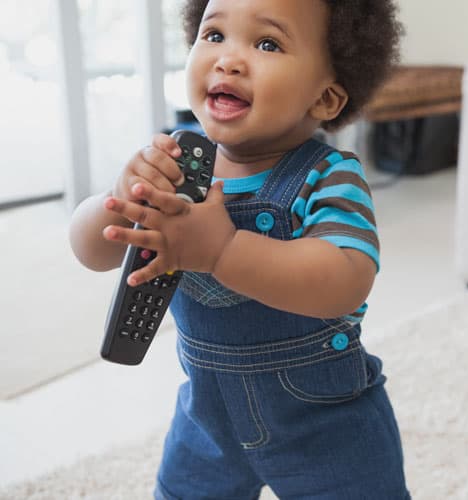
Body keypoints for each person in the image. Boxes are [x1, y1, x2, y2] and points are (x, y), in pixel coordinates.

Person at [68, 0, 409, 498]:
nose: (228, 60)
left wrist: (223, 250)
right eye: (213, 36)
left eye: (267, 43)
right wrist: (115, 201)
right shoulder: (176, 168)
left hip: (326, 425)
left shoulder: (330, 176)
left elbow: (344, 278)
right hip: (207, 422)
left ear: (327, 99)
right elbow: (90, 251)